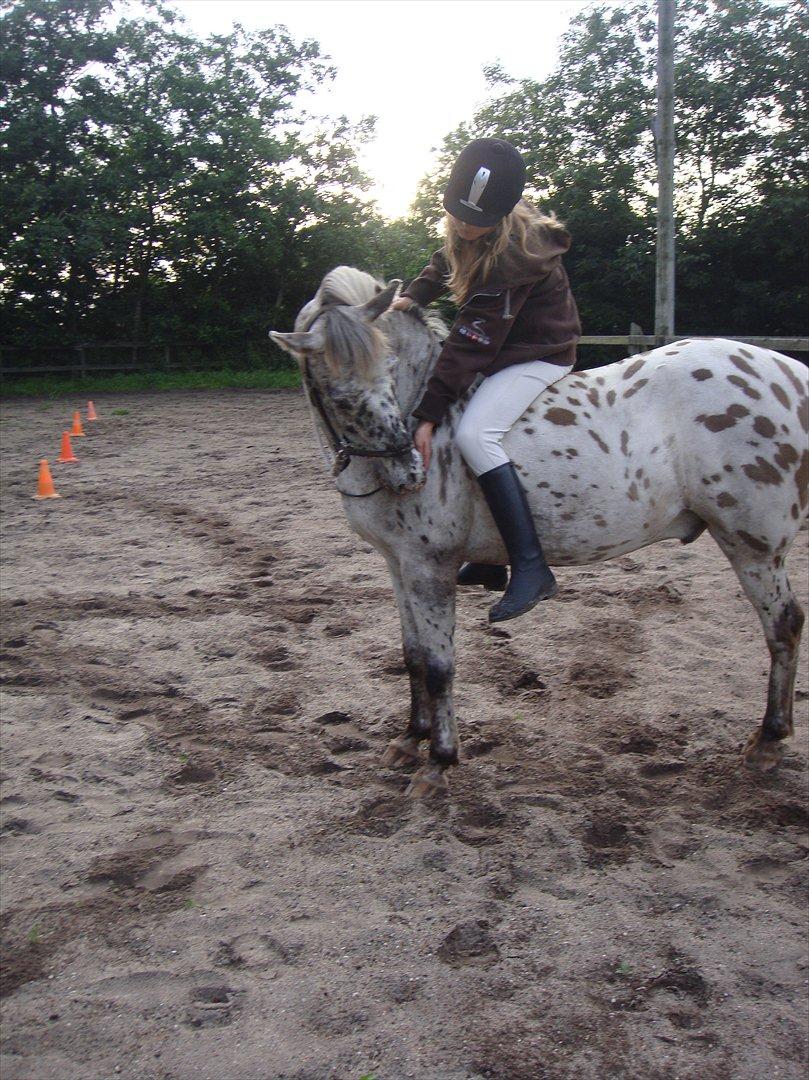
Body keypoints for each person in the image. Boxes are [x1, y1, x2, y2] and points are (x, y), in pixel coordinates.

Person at [392, 137, 581, 623]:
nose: (462, 225)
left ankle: (533, 568)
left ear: (499, 219)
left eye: (473, 221)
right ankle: (491, 563)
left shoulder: (513, 259)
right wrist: (412, 297)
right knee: (469, 422)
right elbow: (446, 257)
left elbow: (468, 344)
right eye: (455, 215)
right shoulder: (473, 219)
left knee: (477, 435)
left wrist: (426, 415)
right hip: (503, 349)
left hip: (538, 354)